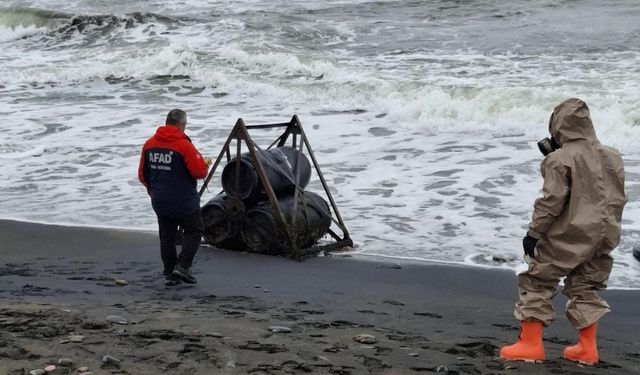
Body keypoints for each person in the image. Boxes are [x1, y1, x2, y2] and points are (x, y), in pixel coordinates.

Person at [500, 98, 627, 365]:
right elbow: (616, 198)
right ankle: (587, 349)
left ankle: (531, 346)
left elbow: (551, 201)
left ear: (559, 126)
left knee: (538, 279)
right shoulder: (612, 155)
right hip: (604, 233)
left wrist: (534, 233)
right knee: (586, 286)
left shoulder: (559, 159)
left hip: (570, 232)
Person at [138, 109, 210, 285]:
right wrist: (205, 164)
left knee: (167, 236)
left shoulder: (149, 144)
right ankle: (182, 266)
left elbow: (142, 175)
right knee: (195, 230)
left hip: (160, 199)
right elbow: (199, 171)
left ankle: (170, 272)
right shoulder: (183, 145)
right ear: (182, 124)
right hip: (183, 200)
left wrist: (152, 191)